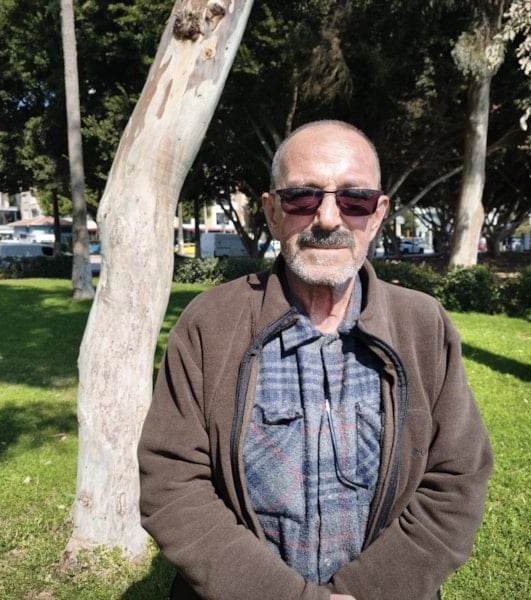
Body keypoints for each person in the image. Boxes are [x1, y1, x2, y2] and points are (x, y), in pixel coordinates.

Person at [138, 120, 493, 600]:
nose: (327, 218)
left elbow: (456, 477)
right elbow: (173, 482)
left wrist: (367, 592)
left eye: (354, 199)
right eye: (302, 197)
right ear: (272, 212)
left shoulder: (423, 324)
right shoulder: (209, 323)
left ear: (378, 214)